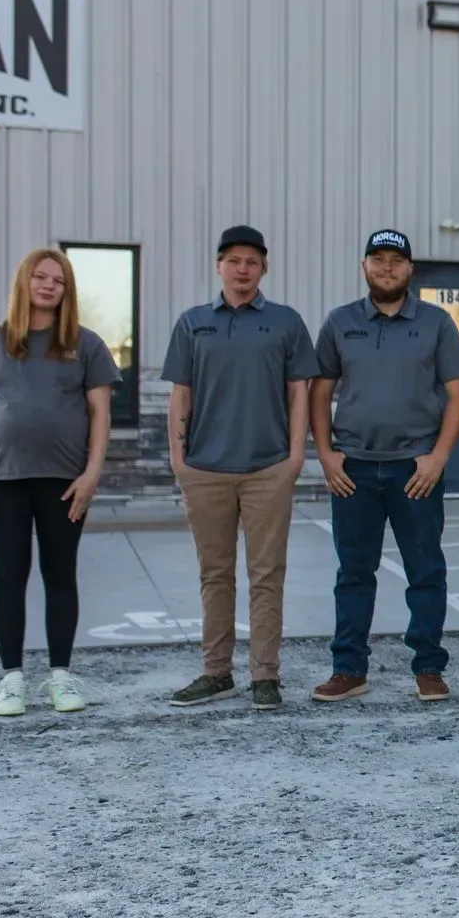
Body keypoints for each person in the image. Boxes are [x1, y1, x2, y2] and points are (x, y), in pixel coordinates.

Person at [307, 229, 459, 703]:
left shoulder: (436, 323)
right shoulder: (340, 322)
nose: (387, 267)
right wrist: (325, 453)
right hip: (354, 470)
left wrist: (439, 457)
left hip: (415, 471)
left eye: (396, 260)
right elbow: (320, 389)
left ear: (410, 269)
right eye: (377, 258)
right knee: (353, 573)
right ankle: (349, 669)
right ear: (364, 266)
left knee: (425, 571)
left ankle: (428, 667)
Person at [163, 225, 319, 712]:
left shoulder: (285, 322)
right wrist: (178, 458)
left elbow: (299, 393)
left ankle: (264, 675)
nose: (242, 269)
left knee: (267, 574)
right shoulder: (193, 323)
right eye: (233, 260)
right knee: (215, 574)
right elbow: (181, 393)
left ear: (263, 268)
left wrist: (295, 457)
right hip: (205, 469)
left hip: (267, 468)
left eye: (252, 261)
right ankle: (216, 672)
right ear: (219, 266)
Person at [0, 249, 121, 716]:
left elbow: (100, 413)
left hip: (65, 482)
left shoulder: (87, 345)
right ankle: (12, 680)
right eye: (40, 277)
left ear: (66, 290)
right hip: (2, 479)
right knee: (9, 576)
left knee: (60, 575)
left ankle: (60, 676)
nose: (49, 285)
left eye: (58, 280)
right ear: (24, 282)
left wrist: (92, 473)